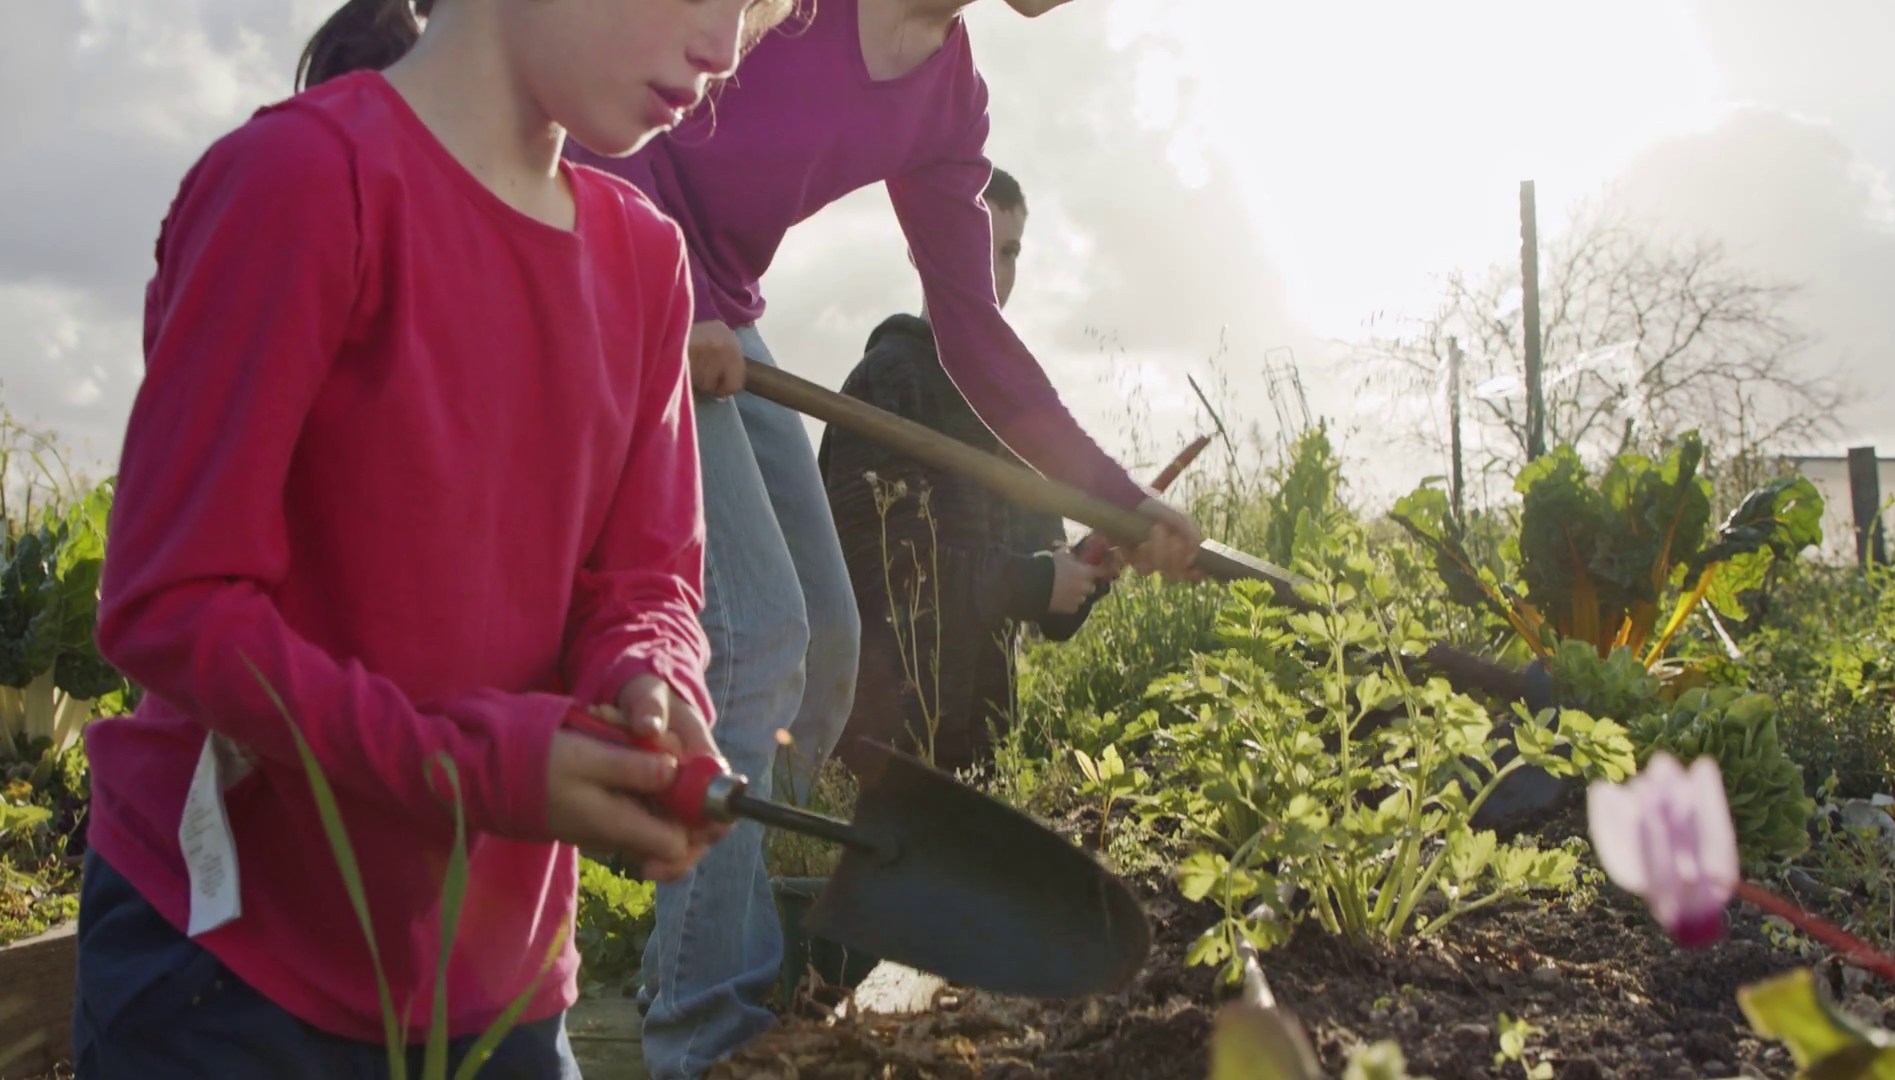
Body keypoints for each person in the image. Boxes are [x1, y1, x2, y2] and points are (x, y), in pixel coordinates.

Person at [68, 0, 787, 1075]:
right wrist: (471, 772)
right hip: (230, 973)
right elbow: (170, 606)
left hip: (496, 990)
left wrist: (649, 680)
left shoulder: (645, 259)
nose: (723, 50)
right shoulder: (304, 181)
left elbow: (645, 583)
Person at [565, 0, 1205, 1074]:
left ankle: (717, 933)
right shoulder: (800, 11)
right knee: (757, 636)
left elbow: (973, 332)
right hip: (616, 249)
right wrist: (669, 295)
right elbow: (600, 101)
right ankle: (702, 1032)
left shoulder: (948, 99)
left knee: (826, 636)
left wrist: (1114, 497)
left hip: (724, 308)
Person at [820, 166, 1111, 781]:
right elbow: (896, 581)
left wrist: (1082, 571)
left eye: (1009, 253)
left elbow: (1043, 588)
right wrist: (1036, 581)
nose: (993, 273)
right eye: (976, 247)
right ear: (921, 248)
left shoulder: (1012, 410)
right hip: (887, 756)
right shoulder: (883, 385)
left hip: (985, 754)